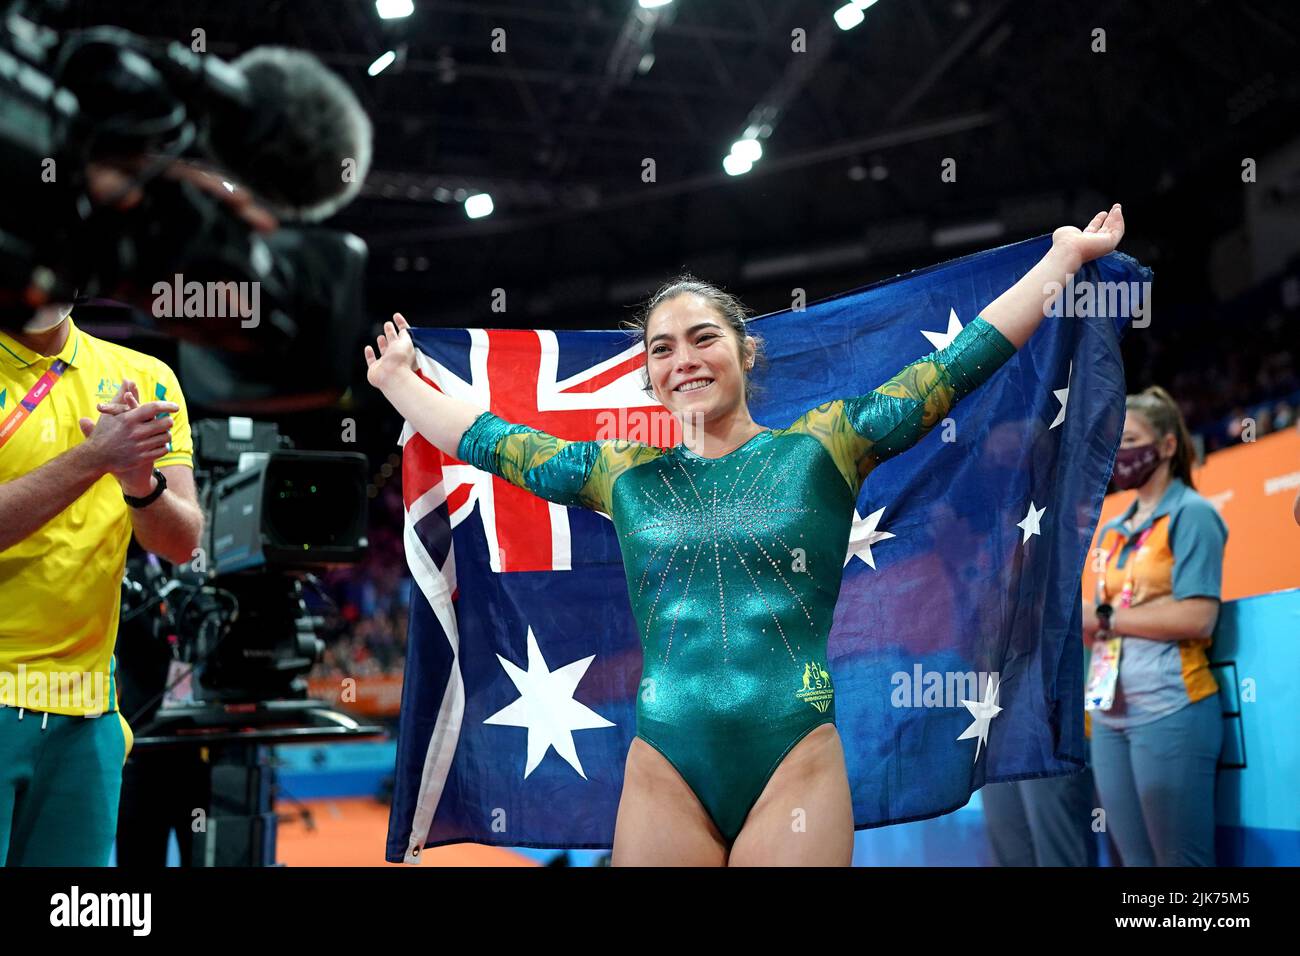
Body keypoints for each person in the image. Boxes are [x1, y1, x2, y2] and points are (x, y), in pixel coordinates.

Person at [369, 206, 1127, 866]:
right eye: (661, 349)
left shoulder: (827, 444)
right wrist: (402, 381)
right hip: (665, 765)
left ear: (746, 352)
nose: (683, 360)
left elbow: (957, 366)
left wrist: (1062, 259)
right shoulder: (619, 473)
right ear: (648, 376)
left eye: (702, 339)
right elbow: (494, 442)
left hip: (793, 760)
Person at [0, 309, 204, 866]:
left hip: (85, 714)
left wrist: (140, 484)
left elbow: (184, 543)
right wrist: (96, 459)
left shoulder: (148, 377)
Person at [1082, 385, 1228, 866]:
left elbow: (1199, 616)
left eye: (1131, 441)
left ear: (1166, 446)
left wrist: (1105, 618)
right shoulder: (1112, 528)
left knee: (1181, 863)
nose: (1121, 452)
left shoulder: (1194, 514)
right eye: (1115, 441)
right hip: (1108, 713)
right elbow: (1109, 621)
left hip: (1171, 708)